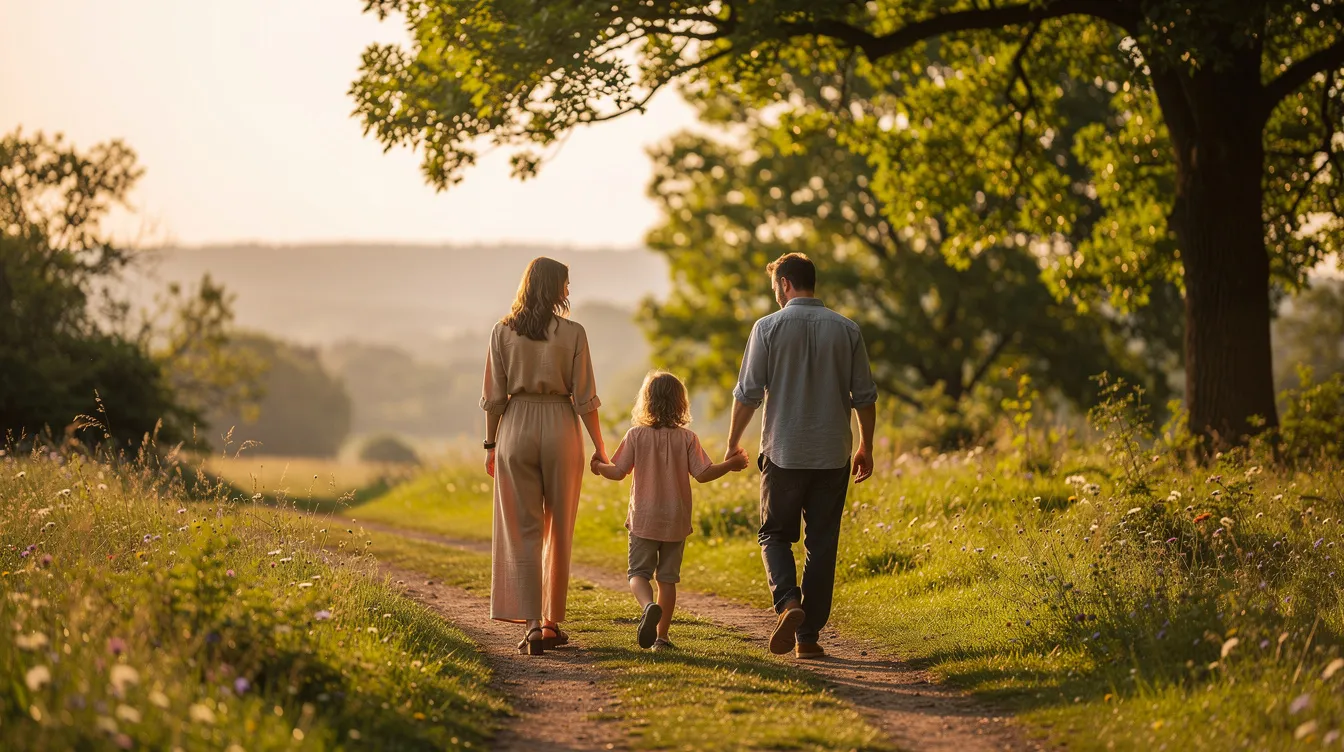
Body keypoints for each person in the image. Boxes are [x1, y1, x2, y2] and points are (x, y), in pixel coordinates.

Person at [726, 252, 879, 659]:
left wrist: (732, 442)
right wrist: (866, 445)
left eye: (776, 286)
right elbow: (864, 396)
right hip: (832, 454)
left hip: (783, 453)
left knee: (774, 534)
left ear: (787, 284)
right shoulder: (847, 330)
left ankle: (789, 603)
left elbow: (748, 394)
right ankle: (808, 637)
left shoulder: (767, 328)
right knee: (822, 544)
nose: (775, 294)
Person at [481, 257, 607, 656]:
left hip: (515, 426)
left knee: (521, 528)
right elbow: (584, 397)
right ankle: (551, 621)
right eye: (566, 284)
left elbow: (494, 399)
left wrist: (490, 445)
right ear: (556, 289)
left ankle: (532, 623)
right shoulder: (573, 333)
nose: (569, 291)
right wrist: (600, 447)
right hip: (560, 425)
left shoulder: (501, 332)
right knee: (559, 524)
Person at [591, 371, 748, 651]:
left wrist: (598, 467)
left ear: (646, 402)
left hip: (644, 519)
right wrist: (731, 465)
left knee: (638, 574)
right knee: (667, 580)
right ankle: (661, 639)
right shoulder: (687, 438)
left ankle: (647, 605)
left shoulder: (636, 435)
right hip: (675, 520)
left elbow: (617, 472)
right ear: (681, 404)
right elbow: (703, 473)